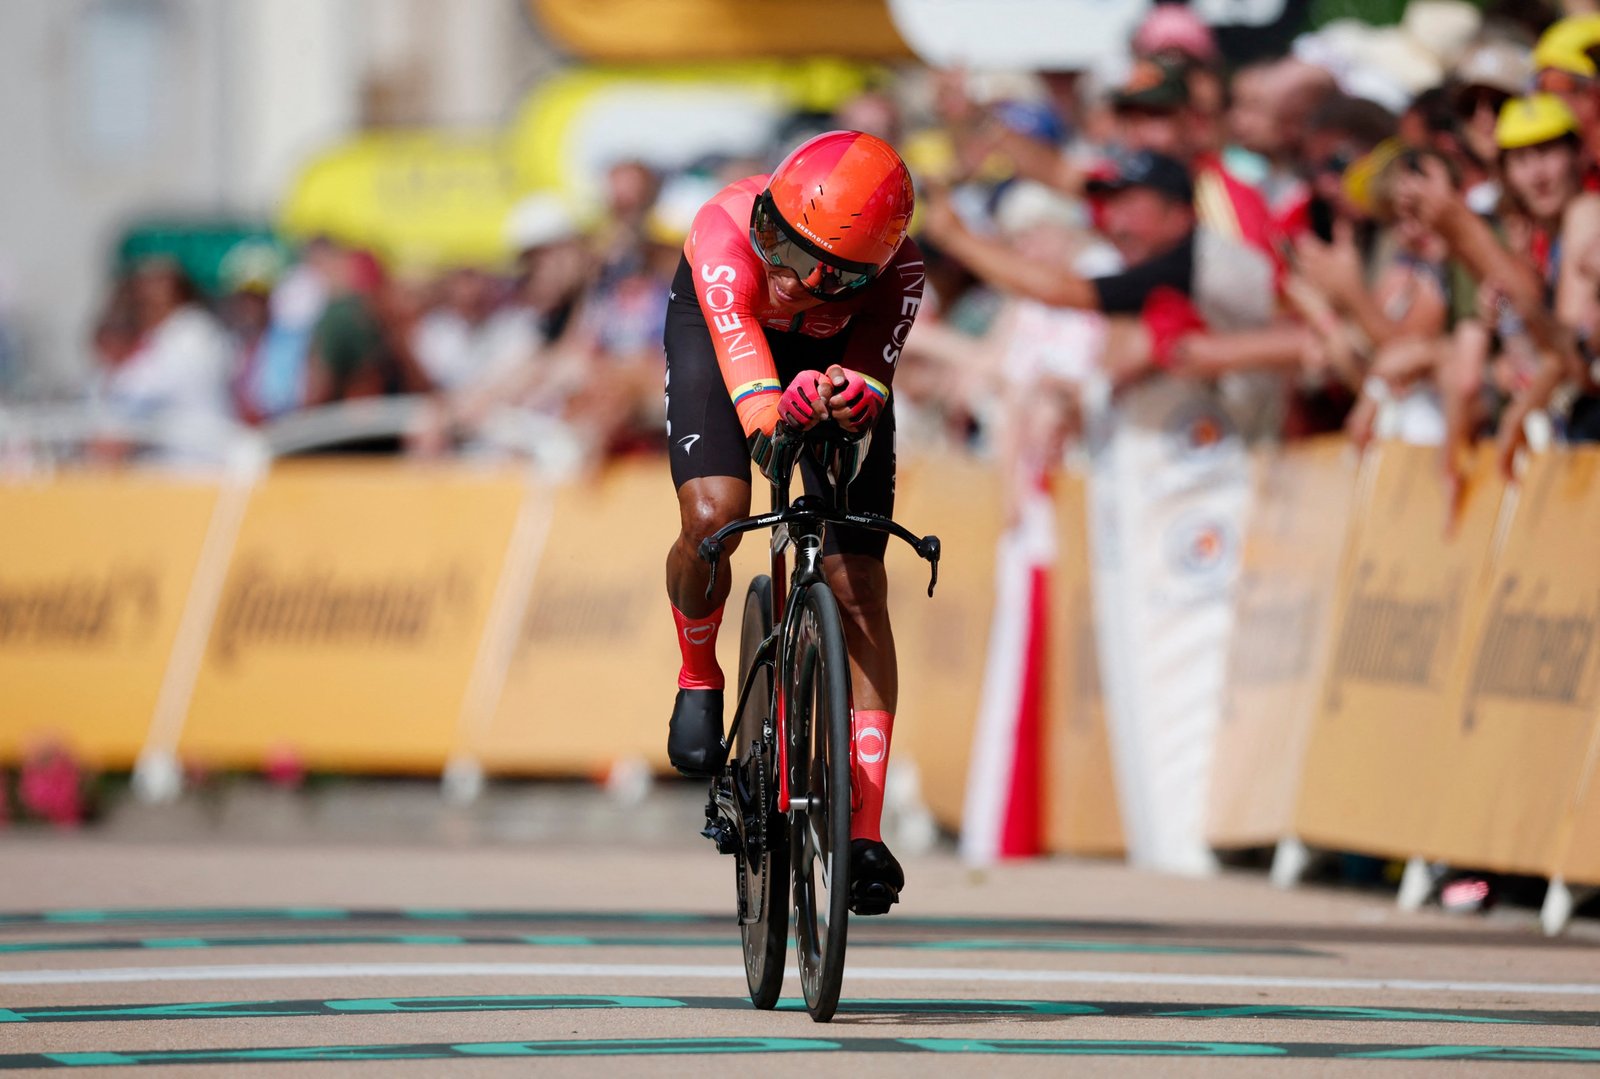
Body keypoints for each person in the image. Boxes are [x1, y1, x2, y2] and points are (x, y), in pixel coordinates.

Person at [662, 130, 922, 914]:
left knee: (858, 585)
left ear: (858, 272)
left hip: (839, 352)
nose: (777, 263)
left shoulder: (901, 272)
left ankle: (866, 827)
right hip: (726, 340)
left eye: (802, 260)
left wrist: (848, 400)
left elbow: (870, 389)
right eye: (774, 232)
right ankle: (698, 671)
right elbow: (763, 422)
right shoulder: (725, 234)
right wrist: (783, 414)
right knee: (716, 513)